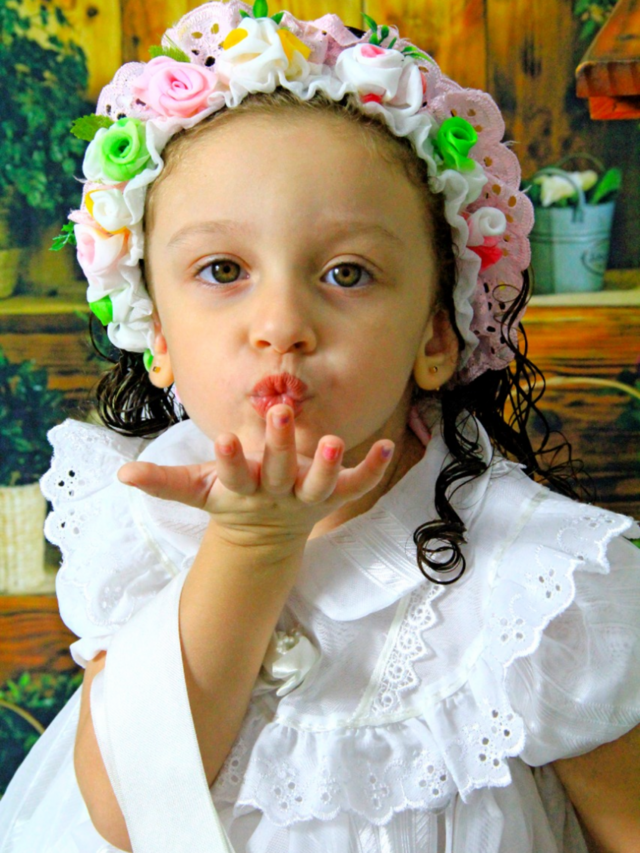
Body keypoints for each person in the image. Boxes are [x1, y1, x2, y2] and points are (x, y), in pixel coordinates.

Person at [1, 1, 639, 851]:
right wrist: (250, 546)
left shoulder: (537, 588)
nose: (281, 324)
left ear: (437, 336)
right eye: (222, 269)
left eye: (347, 272)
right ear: (157, 335)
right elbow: (129, 810)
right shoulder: (147, 520)